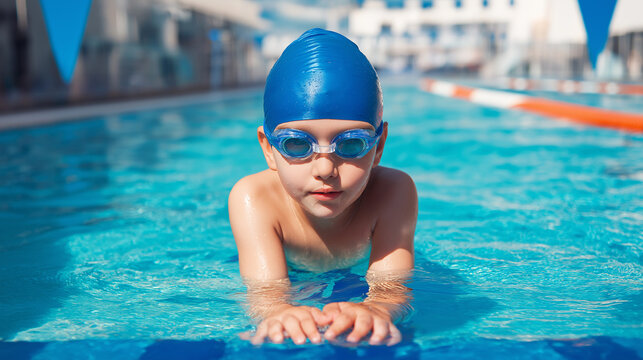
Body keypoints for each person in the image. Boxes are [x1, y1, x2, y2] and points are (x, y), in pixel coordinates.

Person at [228, 28, 418, 346]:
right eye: (296, 144)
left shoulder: (393, 192)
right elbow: (265, 293)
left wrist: (378, 308)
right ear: (267, 148)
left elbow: (392, 287)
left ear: (379, 145)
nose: (326, 169)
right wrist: (277, 310)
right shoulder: (255, 199)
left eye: (353, 143)